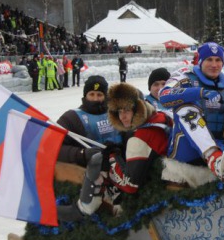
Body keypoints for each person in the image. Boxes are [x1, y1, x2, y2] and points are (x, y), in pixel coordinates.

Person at [58, 83, 172, 220]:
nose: (122, 116)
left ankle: (84, 209)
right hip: (159, 172)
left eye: (126, 110)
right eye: (119, 111)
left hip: (152, 185)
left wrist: (112, 157)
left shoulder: (139, 136)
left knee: (99, 161)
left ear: (138, 108)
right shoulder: (157, 117)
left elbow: (130, 185)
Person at [159, 42, 224, 180]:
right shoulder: (185, 76)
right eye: (209, 59)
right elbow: (163, 96)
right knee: (187, 108)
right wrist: (199, 93)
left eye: (218, 60)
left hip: (219, 144)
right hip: (185, 148)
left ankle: (217, 157)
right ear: (200, 61)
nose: (214, 64)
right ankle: (213, 156)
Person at [56, 75, 123, 167]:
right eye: (91, 94)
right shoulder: (71, 118)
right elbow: (54, 147)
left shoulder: (119, 114)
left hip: (120, 168)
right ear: (85, 95)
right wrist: (82, 154)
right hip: (88, 173)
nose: (95, 99)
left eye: (99, 95)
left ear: (106, 96)